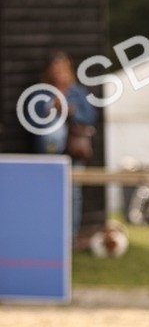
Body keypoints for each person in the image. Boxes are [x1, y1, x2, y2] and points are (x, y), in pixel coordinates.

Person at [30, 52, 97, 241]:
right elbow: (31, 121)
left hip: (73, 150)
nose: (58, 72)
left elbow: (90, 117)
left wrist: (70, 111)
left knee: (73, 193)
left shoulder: (78, 92)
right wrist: (50, 108)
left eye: (61, 68)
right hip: (48, 153)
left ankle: (70, 237)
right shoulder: (40, 93)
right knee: (47, 193)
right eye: (54, 68)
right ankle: (47, 235)